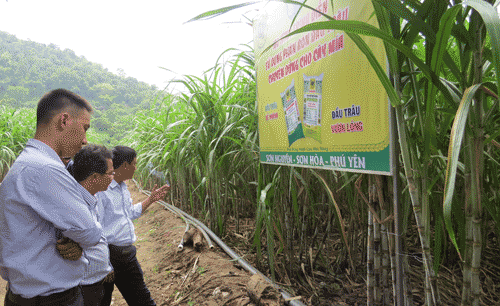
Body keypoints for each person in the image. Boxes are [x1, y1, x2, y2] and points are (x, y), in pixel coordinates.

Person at [0, 89, 104, 306]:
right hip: (51, 299)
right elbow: (90, 233)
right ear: (64, 120)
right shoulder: (44, 168)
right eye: (84, 128)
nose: (85, 140)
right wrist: (79, 239)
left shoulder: (31, 163)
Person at [98, 146, 170, 306]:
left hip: (125, 254)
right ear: (125, 165)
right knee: (103, 301)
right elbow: (97, 228)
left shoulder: (123, 188)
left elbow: (130, 212)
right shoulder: (103, 190)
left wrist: (150, 200)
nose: (136, 168)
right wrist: (104, 263)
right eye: (134, 164)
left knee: (142, 299)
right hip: (109, 255)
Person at [58, 144, 116, 305]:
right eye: (110, 173)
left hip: (98, 280)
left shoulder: (91, 198)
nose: (113, 177)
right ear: (95, 177)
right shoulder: (73, 204)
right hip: (84, 286)